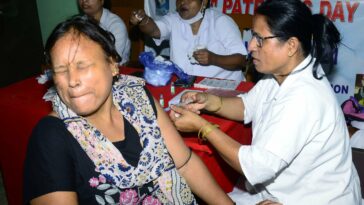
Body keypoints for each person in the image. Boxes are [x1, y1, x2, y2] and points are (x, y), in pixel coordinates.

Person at [23, 16, 234, 205]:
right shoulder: (51, 136)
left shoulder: (139, 100)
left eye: (82, 65)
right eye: (61, 70)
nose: (72, 81)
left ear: (113, 65)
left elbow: (185, 164)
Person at [169, 0, 362, 204]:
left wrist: (203, 127)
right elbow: (247, 106)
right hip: (287, 190)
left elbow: (253, 166)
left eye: (260, 39)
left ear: (291, 46)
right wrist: (210, 101)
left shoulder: (304, 97)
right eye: (253, 36)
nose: (251, 46)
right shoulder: (282, 73)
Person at [130, 0, 247, 82]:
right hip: (186, 87)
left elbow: (240, 60)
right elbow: (154, 30)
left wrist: (213, 58)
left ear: (204, 2)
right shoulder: (173, 19)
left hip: (224, 88)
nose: (183, 2)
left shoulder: (220, 21)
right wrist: (143, 20)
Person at [78, 0, 130, 65]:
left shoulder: (116, 25)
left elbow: (113, 60)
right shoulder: (79, 23)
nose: (84, 0)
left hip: (117, 70)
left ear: (102, 1)